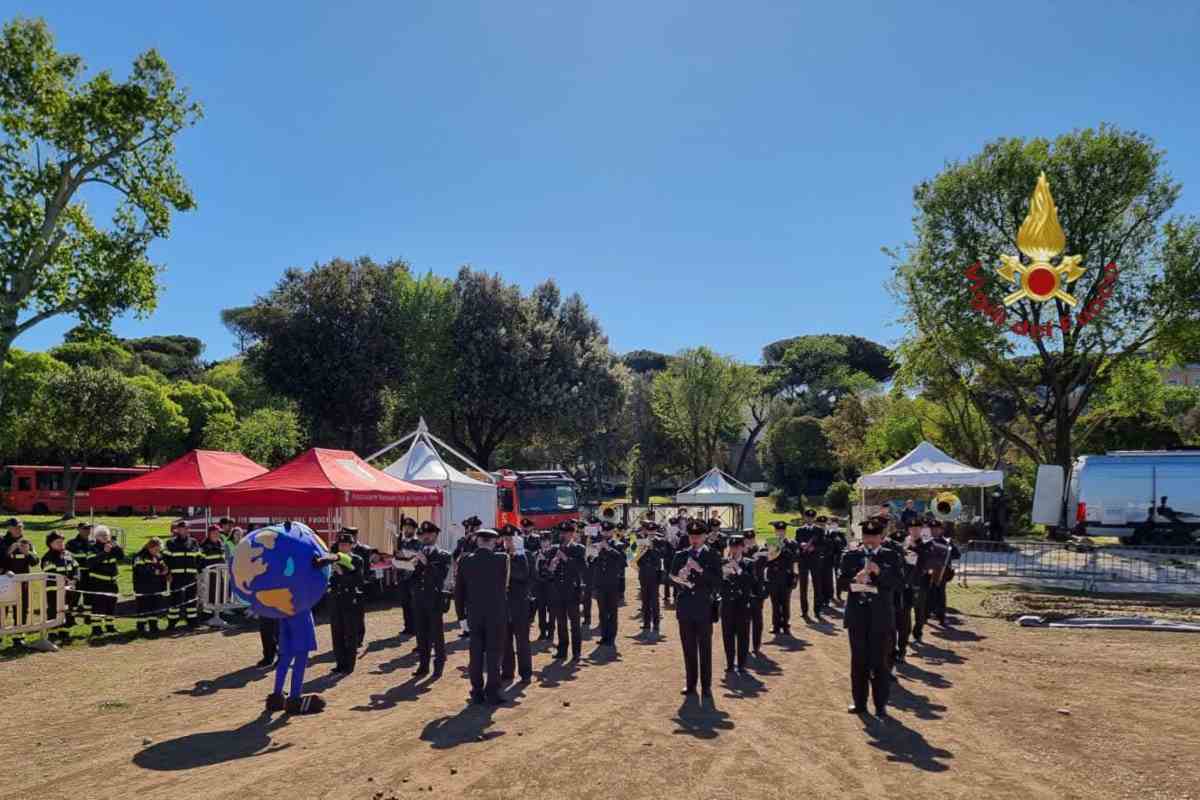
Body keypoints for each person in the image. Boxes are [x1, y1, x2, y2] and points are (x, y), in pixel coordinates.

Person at [838, 519, 903, 719]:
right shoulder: (851, 556)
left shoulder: (891, 556)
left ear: (881, 537)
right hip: (857, 616)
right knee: (858, 662)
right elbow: (841, 583)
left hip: (880, 617)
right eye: (867, 537)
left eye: (874, 537)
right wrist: (853, 580)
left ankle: (880, 705)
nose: (870, 541)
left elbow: (899, 583)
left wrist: (879, 572)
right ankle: (859, 702)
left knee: (880, 663)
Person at [670, 519, 723, 702]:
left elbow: (717, 582)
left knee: (705, 649)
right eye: (691, 536)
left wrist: (699, 570)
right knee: (688, 648)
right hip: (685, 608)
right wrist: (681, 577)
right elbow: (670, 579)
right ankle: (691, 683)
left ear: (705, 536)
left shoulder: (713, 555)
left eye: (698, 536)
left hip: (704, 608)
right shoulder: (680, 555)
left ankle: (706, 686)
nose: (694, 540)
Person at [456, 527, 510, 704]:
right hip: (496, 613)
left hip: (474, 613)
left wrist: (460, 617)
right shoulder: (502, 559)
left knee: (476, 653)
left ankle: (477, 690)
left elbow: (459, 592)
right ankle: (493, 691)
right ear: (494, 542)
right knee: (494, 653)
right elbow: (506, 585)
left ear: (477, 541)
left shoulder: (465, 560)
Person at [409, 521, 452, 677]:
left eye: (429, 534)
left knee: (436, 634)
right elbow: (412, 577)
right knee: (421, 633)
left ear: (435, 535)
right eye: (423, 534)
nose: (425, 537)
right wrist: (408, 566)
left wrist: (425, 563)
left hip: (434, 599)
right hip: (419, 598)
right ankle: (423, 665)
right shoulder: (418, 554)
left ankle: (439, 663)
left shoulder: (443, 555)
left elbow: (439, 576)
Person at [541, 519, 587, 661]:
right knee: (561, 622)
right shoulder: (554, 549)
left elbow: (581, 569)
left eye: (567, 532)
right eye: (562, 532)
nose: (564, 535)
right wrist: (550, 567)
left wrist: (565, 558)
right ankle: (562, 650)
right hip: (557, 591)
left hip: (572, 590)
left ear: (572, 534)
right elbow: (545, 571)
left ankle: (576, 651)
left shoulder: (579, 548)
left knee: (574, 623)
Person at [719, 534, 758, 675]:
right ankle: (730, 663)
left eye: (737, 547)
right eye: (732, 547)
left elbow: (751, 582)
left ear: (742, 547)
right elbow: (719, 583)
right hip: (727, 604)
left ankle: (741, 663)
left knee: (743, 635)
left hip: (742, 604)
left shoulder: (749, 563)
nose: (734, 550)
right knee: (727, 635)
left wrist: (738, 569)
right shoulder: (723, 562)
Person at [500, 525, 534, 683]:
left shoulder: (525, 555)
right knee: (505, 640)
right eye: (505, 539)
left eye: (510, 538)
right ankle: (507, 672)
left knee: (522, 641)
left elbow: (524, 575)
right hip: (503, 603)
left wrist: (514, 555)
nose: (507, 542)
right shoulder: (498, 555)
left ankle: (525, 673)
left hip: (520, 602)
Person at [328, 532, 364, 675]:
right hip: (336, 598)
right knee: (337, 633)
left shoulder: (357, 560)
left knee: (350, 633)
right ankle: (340, 663)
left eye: (345, 545)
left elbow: (358, 580)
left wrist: (342, 574)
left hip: (350, 599)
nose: (342, 547)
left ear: (351, 545)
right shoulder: (334, 558)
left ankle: (349, 665)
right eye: (340, 544)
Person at [2, 518, 38, 645]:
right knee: (2, 608)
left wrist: (28, 553)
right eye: (16, 527)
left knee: (22, 608)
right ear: (9, 528)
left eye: (21, 527)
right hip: (5, 581)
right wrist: (8, 551)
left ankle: (19, 636)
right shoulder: (2, 541)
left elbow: (35, 561)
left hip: (23, 582)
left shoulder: (26, 542)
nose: (19, 529)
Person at [39, 532, 79, 644]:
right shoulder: (48, 558)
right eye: (58, 542)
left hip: (68, 589)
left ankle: (64, 632)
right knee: (53, 610)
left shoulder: (68, 554)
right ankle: (52, 633)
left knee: (66, 610)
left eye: (62, 542)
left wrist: (75, 579)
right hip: (53, 590)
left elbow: (76, 567)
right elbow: (51, 574)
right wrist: (66, 580)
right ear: (50, 544)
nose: (61, 544)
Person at [591, 520, 625, 649]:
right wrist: (592, 553)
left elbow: (622, 561)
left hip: (612, 583)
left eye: (608, 531)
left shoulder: (619, 545)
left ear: (612, 531)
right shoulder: (597, 544)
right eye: (603, 531)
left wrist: (608, 548)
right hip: (600, 582)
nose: (605, 533)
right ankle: (604, 635)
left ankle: (611, 637)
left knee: (612, 611)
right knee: (602, 611)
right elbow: (591, 562)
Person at [163, 520, 201, 629]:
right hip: (176, 576)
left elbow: (199, 557)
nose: (185, 530)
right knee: (175, 600)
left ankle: (192, 622)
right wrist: (168, 573)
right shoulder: (171, 543)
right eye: (183, 528)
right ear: (178, 530)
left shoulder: (194, 542)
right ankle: (172, 622)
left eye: (187, 528)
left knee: (192, 600)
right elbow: (165, 559)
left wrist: (197, 570)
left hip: (190, 576)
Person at [87, 526, 123, 636]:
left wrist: (117, 547)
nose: (105, 537)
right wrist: (104, 552)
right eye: (102, 535)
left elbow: (121, 557)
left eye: (107, 535)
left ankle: (110, 626)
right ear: (97, 537)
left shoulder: (112, 546)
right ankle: (96, 628)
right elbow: (91, 563)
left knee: (111, 605)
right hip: (98, 583)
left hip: (112, 583)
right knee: (98, 606)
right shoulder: (92, 548)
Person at [634, 521, 668, 636]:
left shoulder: (661, 540)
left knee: (654, 599)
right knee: (645, 599)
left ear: (656, 530)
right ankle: (647, 622)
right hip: (643, 572)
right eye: (649, 531)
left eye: (653, 531)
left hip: (655, 572)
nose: (651, 533)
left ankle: (656, 623)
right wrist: (640, 547)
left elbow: (663, 554)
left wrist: (652, 548)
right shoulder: (641, 540)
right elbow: (635, 555)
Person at [132, 537, 169, 638]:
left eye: (159, 549)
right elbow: (143, 571)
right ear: (150, 547)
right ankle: (141, 628)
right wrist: (159, 572)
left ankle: (153, 626)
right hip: (143, 587)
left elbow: (164, 568)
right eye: (156, 549)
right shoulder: (140, 557)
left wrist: (163, 571)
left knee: (155, 607)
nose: (157, 551)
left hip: (156, 587)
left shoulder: (158, 556)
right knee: (143, 608)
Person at [765, 521, 797, 635]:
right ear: (775, 531)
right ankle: (776, 624)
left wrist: (783, 548)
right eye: (778, 531)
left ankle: (786, 625)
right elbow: (768, 559)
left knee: (785, 602)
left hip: (786, 577)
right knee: (775, 602)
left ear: (785, 531)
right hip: (773, 576)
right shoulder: (770, 543)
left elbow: (794, 558)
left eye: (782, 531)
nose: (780, 533)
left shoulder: (791, 543)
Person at [452, 516, 481, 637]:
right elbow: (454, 555)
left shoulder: (480, 541)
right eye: (469, 528)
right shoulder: (462, 541)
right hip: (462, 574)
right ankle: (465, 629)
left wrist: (468, 554)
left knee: (472, 603)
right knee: (460, 603)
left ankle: (474, 628)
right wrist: (455, 570)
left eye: (473, 528)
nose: (470, 530)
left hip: (474, 576)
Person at [793, 510, 823, 621]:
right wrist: (802, 544)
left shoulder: (819, 530)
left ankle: (817, 611)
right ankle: (804, 611)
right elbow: (796, 542)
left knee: (817, 587)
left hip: (815, 560)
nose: (810, 519)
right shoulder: (799, 530)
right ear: (805, 518)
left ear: (814, 518)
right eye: (808, 517)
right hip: (803, 560)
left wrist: (814, 548)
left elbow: (823, 545)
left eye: (812, 517)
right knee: (803, 587)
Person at [743, 529, 768, 656]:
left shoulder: (761, 551)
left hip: (758, 590)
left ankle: (756, 645)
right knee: (744, 620)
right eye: (746, 539)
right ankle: (745, 645)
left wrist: (755, 556)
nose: (749, 541)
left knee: (757, 619)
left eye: (751, 539)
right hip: (743, 591)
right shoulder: (739, 551)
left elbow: (765, 566)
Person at [395, 517, 420, 636]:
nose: (407, 529)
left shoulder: (418, 542)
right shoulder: (402, 541)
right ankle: (408, 626)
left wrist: (404, 554)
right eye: (405, 527)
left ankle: (416, 627)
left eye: (409, 527)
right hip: (402, 576)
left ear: (414, 529)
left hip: (413, 576)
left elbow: (417, 555)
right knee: (405, 603)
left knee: (414, 603)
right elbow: (397, 556)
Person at [65, 522, 94, 624]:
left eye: (89, 528)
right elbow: (68, 559)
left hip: (90, 575)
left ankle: (88, 617)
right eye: (85, 528)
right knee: (74, 598)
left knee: (89, 598)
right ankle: (70, 619)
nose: (87, 530)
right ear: (78, 529)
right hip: (77, 574)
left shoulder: (93, 542)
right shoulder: (71, 543)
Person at [199, 524, 227, 616]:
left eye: (218, 532)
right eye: (214, 532)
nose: (217, 534)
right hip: (209, 575)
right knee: (209, 595)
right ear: (209, 534)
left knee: (220, 594)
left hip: (220, 574)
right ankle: (207, 615)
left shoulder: (221, 543)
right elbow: (200, 561)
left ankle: (218, 613)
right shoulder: (204, 545)